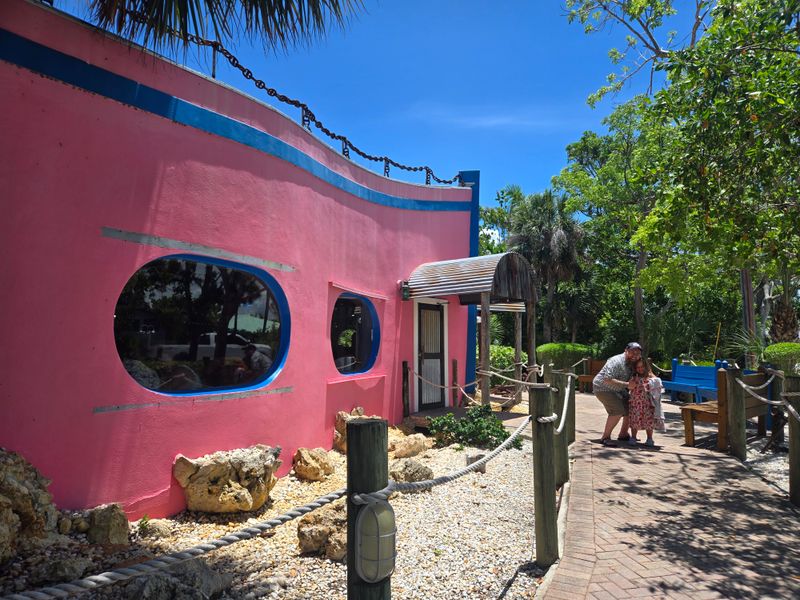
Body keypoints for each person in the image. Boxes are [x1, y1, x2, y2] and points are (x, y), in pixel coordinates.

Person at [592, 342, 643, 446]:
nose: (635, 355)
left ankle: (623, 434)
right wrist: (627, 384)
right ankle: (605, 438)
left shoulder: (634, 362)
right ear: (626, 350)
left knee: (631, 407)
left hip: (619, 389)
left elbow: (645, 372)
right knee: (617, 411)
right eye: (632, 352)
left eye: (637, 353)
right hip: (603, 388)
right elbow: (607, 379)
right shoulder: (616, 361)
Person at [628, 358, 666, 447]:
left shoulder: (651, 377)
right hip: (636, 402)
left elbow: (658, 385)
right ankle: (633, 437)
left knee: (649, 420)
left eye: (642, 367)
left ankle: (650, 439)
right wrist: (632, 383)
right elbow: (630, 387)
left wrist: (652, 383)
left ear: (646, 367)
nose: (640, 369)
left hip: (648, 403)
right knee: (635, 419)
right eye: (638, 367)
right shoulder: (634, 377)